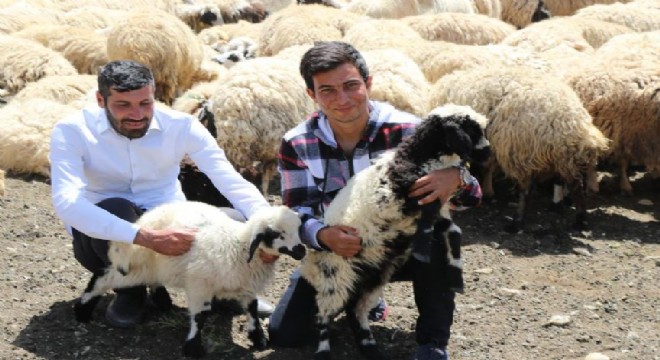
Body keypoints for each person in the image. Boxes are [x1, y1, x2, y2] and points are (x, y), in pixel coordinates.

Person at [267, 41, 482, 360]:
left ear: (368, 83)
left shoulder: (410, 130)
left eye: (351, 85)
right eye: (327, 90)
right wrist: (323, 236)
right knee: (286, 333)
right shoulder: (297, 142)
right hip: (339, 251)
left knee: (439, 236)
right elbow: (297, 211)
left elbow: (471, 198)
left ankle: (432, 343)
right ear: (312, 95)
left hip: (401, 249)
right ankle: (362, 295)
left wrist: (458, 178)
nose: (342, 100)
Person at [49, 60, 275, 329]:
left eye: (145, 103)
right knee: (114, 207)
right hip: (104, 237)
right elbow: (67, 202)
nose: (137, 114)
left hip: (172, 222)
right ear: (101, 100)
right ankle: (131, 293)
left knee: (237, 220)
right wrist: (147, 238)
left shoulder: (180, 126)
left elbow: (230, 181)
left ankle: (223, 291)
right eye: (123, 105)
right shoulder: (72, 131)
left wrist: (268, 228)